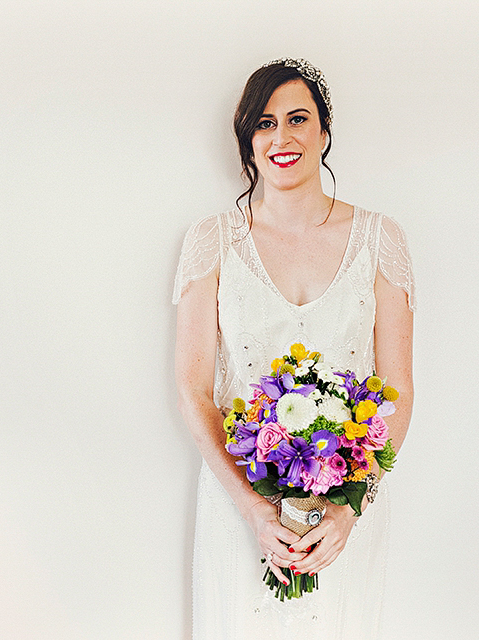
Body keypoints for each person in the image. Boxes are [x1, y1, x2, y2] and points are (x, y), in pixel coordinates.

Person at [173, 58, 416, 639]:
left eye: (298, 119)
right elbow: (193, 387)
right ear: (248, 142)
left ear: (324, 132)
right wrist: (253, 508)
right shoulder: (213, 241)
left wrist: (351, 507)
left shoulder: (381, 239)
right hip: (240, 509)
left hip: (341, 515)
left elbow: (398, 389)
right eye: (264, 123)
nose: (282, 136)